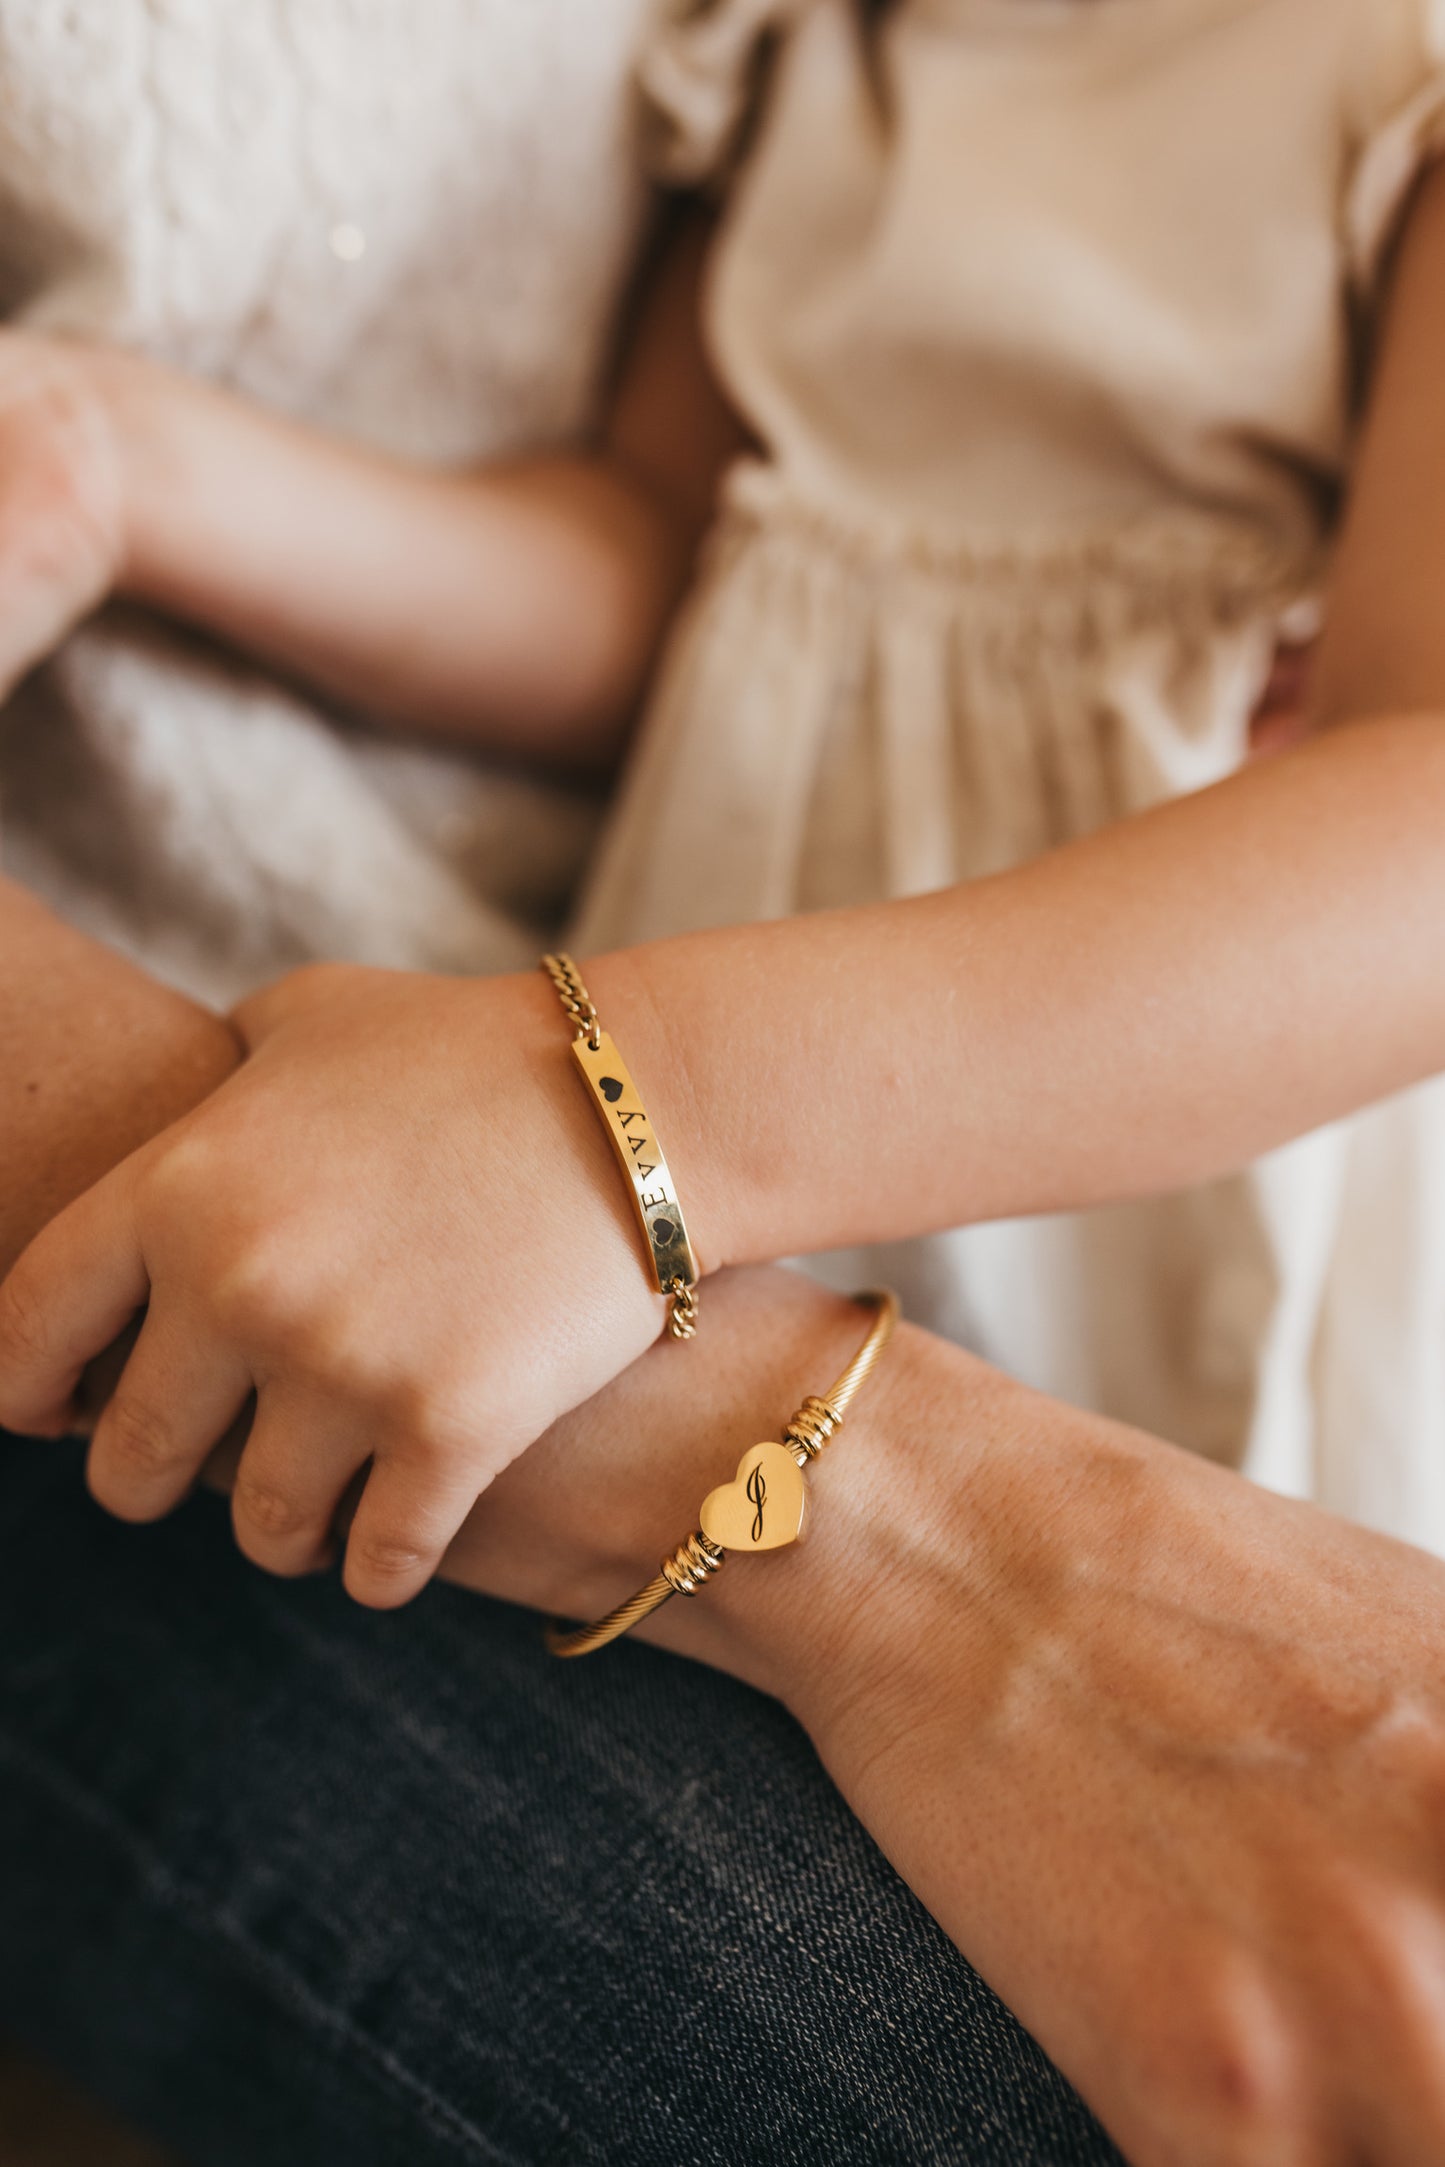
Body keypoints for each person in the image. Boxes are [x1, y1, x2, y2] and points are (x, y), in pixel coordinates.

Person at [7, 3, 1445, 2162]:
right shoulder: (814, 43)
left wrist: (623, 1098)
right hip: (631, 1186)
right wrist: (129, 462)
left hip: (1063, 1136)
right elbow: (654, 578)